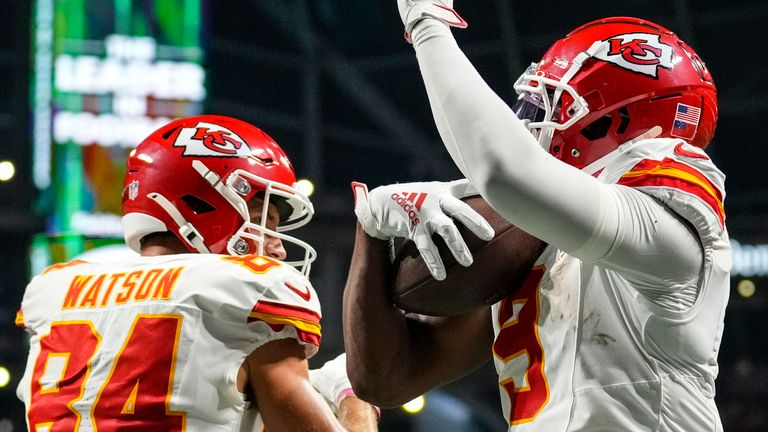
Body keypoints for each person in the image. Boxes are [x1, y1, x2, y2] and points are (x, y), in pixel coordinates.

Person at [344, 4, 729, 431]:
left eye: (552, 103)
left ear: (614, 118)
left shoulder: (669, 214)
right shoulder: (537, 237)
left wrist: (426, 22)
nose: (529, 121)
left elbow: (506, 171)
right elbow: (387, 379)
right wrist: (372, 227)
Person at [16, 115, 378, 431]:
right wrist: (354, 397)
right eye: (261, 221)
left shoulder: (57, 289)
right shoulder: (246, 289)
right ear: (199, 205)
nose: (278, 247)